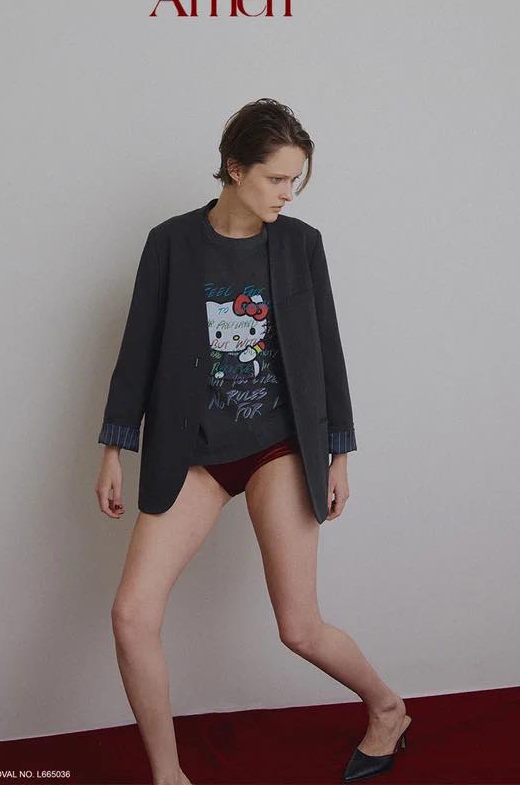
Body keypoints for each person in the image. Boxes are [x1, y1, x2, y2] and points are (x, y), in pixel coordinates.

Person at [95, 99, 412, 785]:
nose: (287, 193)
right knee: (130, 615)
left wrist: (339, 454)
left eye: (295, 180)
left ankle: (388, 708)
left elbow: (327, 351)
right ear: (234, 169)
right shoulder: (171, 243)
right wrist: (114, 448)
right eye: (275, 178)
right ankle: (169, 776)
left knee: (299, 627)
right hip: (193, 452)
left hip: (278, 447)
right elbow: (138, 347)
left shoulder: (301, 245)